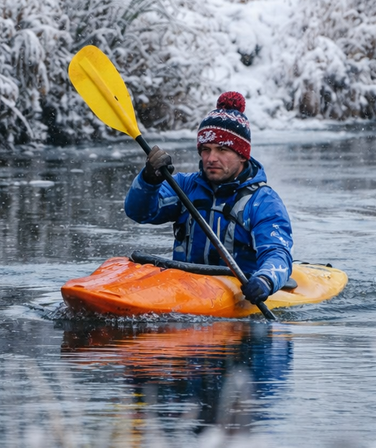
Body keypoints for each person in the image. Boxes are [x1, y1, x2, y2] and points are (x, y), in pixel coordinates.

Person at [123, 92, 293, 305]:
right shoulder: (184, 186)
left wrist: (264, 280)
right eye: (206, 149)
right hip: (184, 285)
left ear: (242, 155)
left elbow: (278, 253)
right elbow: (139, 212)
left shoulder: (263, 201)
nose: (211, 158)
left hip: (238, 290)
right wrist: (149, 179)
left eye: (222, 150)